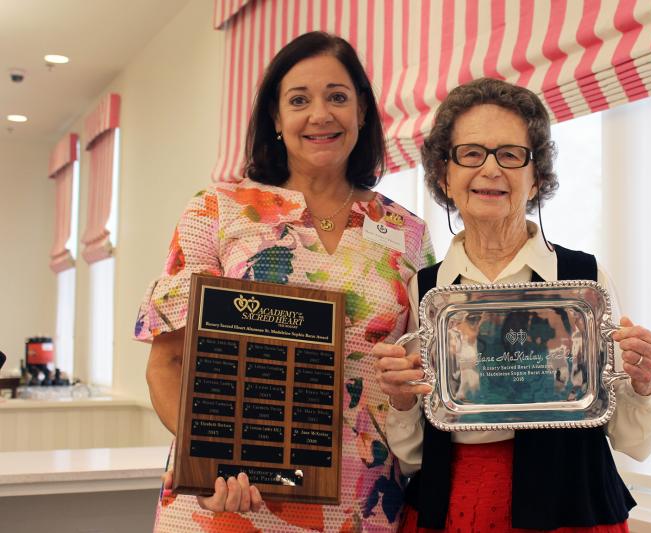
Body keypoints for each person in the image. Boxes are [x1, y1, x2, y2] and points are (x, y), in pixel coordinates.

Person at [135, 31, 434, 532]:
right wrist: (212, 461)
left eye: (338, 97)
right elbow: (166, 363)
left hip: (360, 506)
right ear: (275, 118)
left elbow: (420, 368)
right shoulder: (217, 211)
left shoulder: (408, 234)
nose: (321, 114)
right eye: (299, 100)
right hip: (228, 503)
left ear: (362, 111)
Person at [373, 78, 651, 532]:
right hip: (454, 508)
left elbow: (634, 441)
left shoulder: (584, 282)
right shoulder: (425, 291)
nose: (491, 169)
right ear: (444, 175)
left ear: (537, 178)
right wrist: (401, 399)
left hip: (571, 511)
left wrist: (644, 383)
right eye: (471, 153)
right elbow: (412, 458)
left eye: (510, 155)